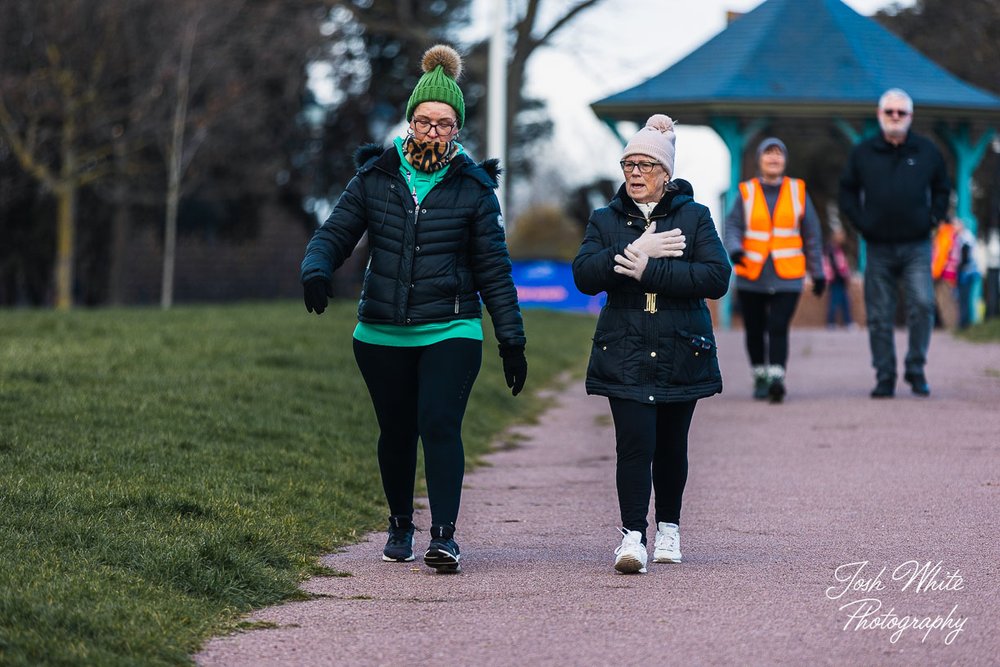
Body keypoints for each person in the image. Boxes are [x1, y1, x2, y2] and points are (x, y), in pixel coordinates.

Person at [300, 44, 527, 574]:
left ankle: (444, 537)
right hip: (381, 332)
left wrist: (511, 339)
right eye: (424, 121)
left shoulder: (474, 189)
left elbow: (494, 270)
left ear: (457, 130)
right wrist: (315, 268)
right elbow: (335, 233)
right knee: (396, 430)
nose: (432, 132)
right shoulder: (375, 177)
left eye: (444, 124)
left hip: (451, 326)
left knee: (439, 423)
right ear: (410, 121)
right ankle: (400, 522)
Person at [572, 115, 731, 574]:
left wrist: (650, 271)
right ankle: (632, 536)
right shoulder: (605, 219)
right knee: (633, 445)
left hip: (683, 347)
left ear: (665, 173)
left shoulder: (694, 216)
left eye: (645, 164)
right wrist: (635, 250)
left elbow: (716, 278)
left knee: (671, 447)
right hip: (624, 348)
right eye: (628, 165)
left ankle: (670, 529)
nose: (635, 173)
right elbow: (584, 275)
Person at [839, 88, 951, 398]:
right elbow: (846, 191)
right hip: (877, 247)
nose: (895, 117)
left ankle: (915, 368)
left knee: (923, 304)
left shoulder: (927, 151)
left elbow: (943, 188)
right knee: (878, 314)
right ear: (880, 115)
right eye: (890, 112)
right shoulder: (862, 153)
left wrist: (934, 218)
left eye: (901, 112)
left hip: (917, 245)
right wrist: (861, 223)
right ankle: (885, 376)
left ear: (910, 117)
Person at [724, 137, 825, 403]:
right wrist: (734, 249)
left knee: (778, 326)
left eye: (778, 154)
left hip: (788, 274)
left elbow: (812, 235)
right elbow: (732, 226)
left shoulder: (798, 191)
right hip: (751, 272)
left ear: (785, 160)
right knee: (755, 329)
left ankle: (776, 377)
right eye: (768, 153)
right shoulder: (746, 192)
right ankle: (759, 375)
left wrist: (818, 272)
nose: (773, 158)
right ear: (759, 159)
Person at [951, 218, 981, 329]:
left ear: (960, 226)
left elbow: (965, 258)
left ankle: (964, 324)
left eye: (955, 225)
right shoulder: (962, 237)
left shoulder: (966, 238)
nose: (953, 227)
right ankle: (963, 323)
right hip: (966, 272)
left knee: (964, 298)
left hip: (967, 273)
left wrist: (958, 267)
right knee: (963, 298)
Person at [824, 227, 853, 329]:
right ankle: (831, 322)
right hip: (836, 279)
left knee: (844, 300)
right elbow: (835, 266)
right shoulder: (831, 250)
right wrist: (843, 276)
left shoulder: (837, 249)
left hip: (838, 278)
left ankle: (848, 321)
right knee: (835, 301)